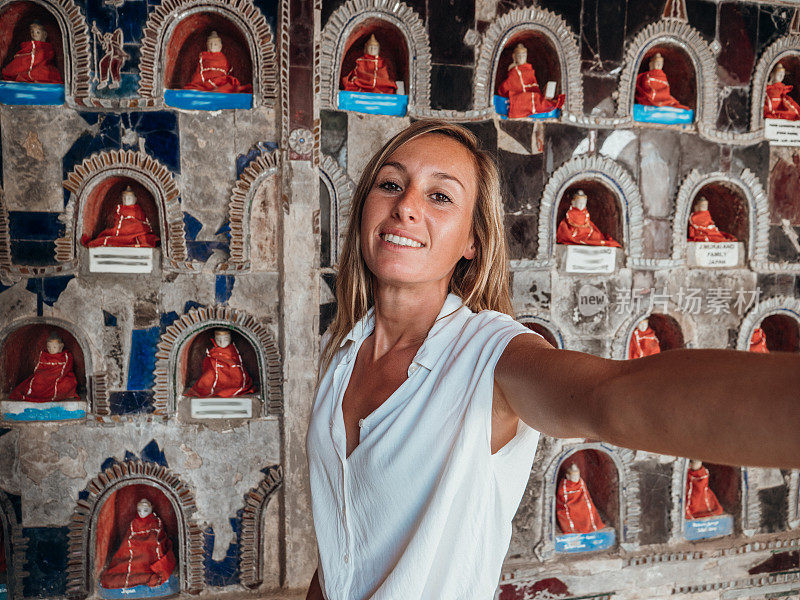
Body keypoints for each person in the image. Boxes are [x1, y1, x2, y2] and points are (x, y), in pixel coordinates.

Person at [305, 120, 800, 600]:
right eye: (391, 183)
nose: (406, 207)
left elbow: (606, 397)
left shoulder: (490, 356)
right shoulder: (344, 355)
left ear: (472, 243)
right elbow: (341, 555)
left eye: (440, 196)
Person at [100, 498, 176, 589]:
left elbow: (157, 536)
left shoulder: (156, 521)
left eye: (145, 510)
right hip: (135, 548)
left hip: (149, 549)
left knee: (149, 554)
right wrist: (131, 543)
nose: (142, 513)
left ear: (151, 509)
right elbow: (129, 537)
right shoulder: (134, 522)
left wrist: (147, 542)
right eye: (139, 510)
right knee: (122, 561)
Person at [497, 43, 564, 118]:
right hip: (519, 95)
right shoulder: (514, 70)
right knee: (530, 99)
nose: (522, 58)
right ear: (514, 57)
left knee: (537, 97)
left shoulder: (529, 68)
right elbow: (507, 86)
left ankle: (550, 104)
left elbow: (533, 85)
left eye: (524, 55)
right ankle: (548, 104)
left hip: (531, 93)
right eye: (519, 56)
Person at [9, 333, 78, 402]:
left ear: (61, 347)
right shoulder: (44, 354)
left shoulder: (66, 355)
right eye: (49, 347)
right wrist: (44, 374)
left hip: (61, 377)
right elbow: (39, 368)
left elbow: (66, 369)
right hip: (46, 376)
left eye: (54, 347)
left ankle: (64, 394)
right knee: (38, 379)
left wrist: (54, 376)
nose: (51, 349)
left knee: (68, 383)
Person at [83, 186, 159, 248]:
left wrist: (133, 225)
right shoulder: (118, 209)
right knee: (104, 239)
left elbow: (144, 223)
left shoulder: (139, 210)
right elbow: (115, 222)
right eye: (124, 198)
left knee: (144, 238)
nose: (126, 200)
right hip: (119, 233)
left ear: (135, 199)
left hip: (136, 233)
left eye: (129, 198)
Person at [188, 329, 253, 397]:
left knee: (238, 375)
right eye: (218, 339)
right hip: (215, 369)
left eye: (226, 339)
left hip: (231, 368)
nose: (222, 342)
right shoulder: (213, 350)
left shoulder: (233, 349)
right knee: (207, 378)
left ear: (230, 338)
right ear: (214, 339)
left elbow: (237, 361)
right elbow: (209, 362)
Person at [184, 31, 252, 94]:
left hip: (221, 81)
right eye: (210, 44)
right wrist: (197, 83)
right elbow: (198, 72)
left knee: (229, 87)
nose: (212, 46)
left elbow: (229, 71)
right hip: (205, 82)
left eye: (215, 44)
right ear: (207, 45)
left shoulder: (224, 58)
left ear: (220, 46)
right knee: (192, 89)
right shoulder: (203, 57)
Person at [555, 189, 621, 247]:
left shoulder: (585, 213)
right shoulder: (570, 213)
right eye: (579, 203)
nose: (582, 205)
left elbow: (587, 223)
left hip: (587, 230)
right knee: (567, 234)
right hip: (574, 231)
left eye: (584, 203)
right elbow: (571, 223)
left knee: (597, 236)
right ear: (573, 202)